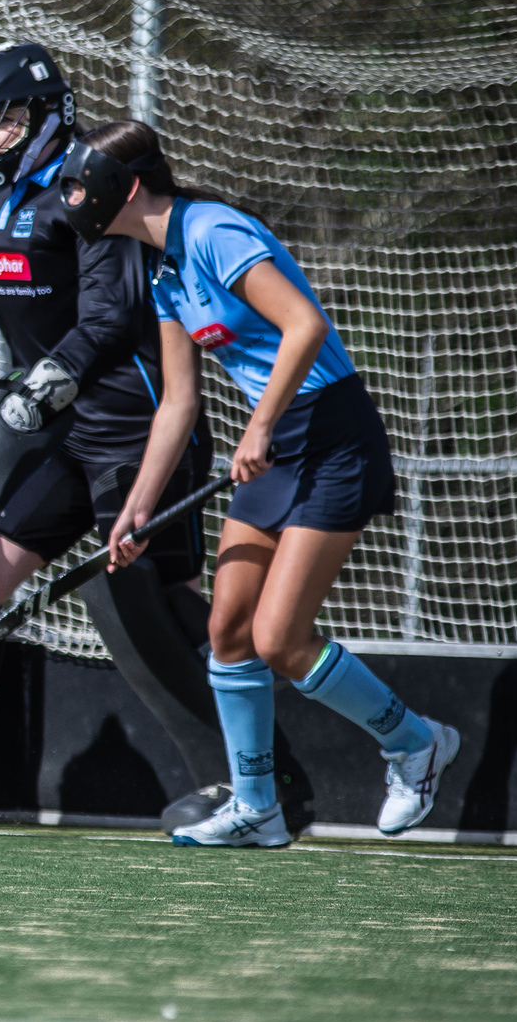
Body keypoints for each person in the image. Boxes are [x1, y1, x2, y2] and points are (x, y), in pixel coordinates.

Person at [0, 42, 305, 829]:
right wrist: (22, 391)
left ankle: (254, 781)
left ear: (50, 116)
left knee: (144, 600)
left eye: (7, 120)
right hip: (62, 432)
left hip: (139, 429)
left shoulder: (85, 194)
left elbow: (111, 317)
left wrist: (52, 379)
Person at [63, 118, 458, 847]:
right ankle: (258, 808)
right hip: (277, 443)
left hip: (333, 436)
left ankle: (415, 741)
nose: (72, 195)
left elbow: (305, 325)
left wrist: (259, 427)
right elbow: (179, 403)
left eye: (80, 180)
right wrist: (137, 511)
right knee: (228, 631)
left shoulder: (214, 231)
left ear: (128, 184)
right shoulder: (165, 272)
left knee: (279, 638)